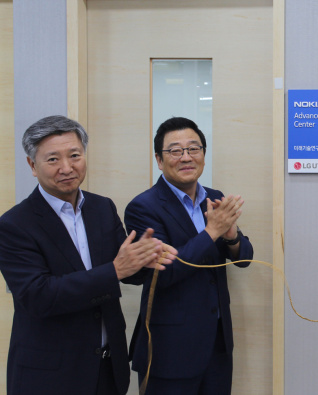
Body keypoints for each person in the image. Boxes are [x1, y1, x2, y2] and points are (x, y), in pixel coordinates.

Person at [0, 115, 175, 395]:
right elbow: (38, 296)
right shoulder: (14, 224)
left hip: (108, 366)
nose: (67, 167)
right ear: (32, 165)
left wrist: (146, 258)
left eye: (75, 155)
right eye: (53, 159)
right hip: (51, 373)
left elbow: (126, 269)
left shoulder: (102, 208)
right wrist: (116, 270)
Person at [125, 117, 253, 395]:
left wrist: (230, 236)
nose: (186, 157)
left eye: (194, 149)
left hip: (217, 344)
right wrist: (213, 231)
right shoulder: (142, 208)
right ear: (159, 160)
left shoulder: (214, 197)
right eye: (175, 151)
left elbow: (244, 259)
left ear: (203, 155)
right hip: (169, 349)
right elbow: (163, 272)